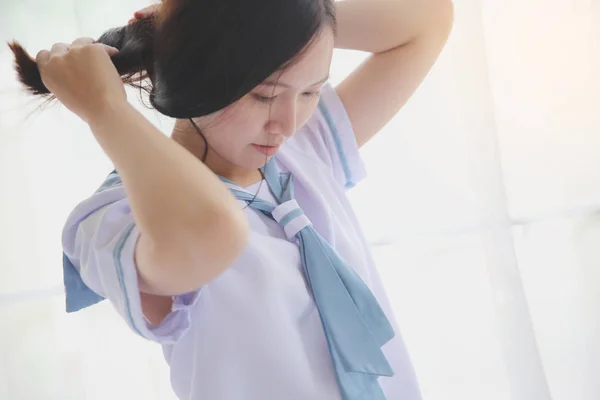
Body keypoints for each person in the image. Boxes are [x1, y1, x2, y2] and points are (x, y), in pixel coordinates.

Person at [9, 0, 453, 398]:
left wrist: (289, 15)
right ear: (197, 73)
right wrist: (105, 108)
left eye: (311, 91)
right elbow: (213, 232)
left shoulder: (303, 150)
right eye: (264, 95)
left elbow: (428, 19)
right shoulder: (115, 220)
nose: (288, 121)